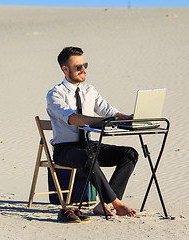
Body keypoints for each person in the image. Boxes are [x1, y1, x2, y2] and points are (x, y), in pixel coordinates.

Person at [46, 47, 138, 222]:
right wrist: (100, 121)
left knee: (129, 154)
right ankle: (116, 203)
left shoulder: (90, 90)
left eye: (84, 65)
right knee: (88, 157)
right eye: (78, 67)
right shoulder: (55, 94)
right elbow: (72, 118)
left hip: (88, 145)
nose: (84, 70)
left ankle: (102, 204)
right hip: (65, 150)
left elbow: (109, 111)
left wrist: (128, 117)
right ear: (65, 69)